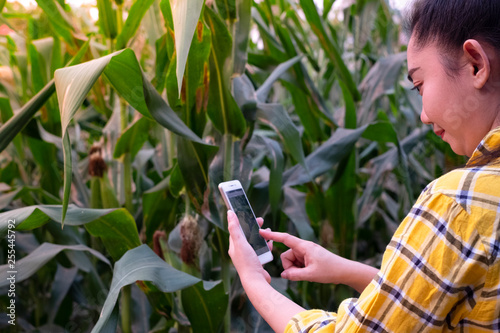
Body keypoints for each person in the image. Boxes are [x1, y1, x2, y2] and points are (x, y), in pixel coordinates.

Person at [227, 0, 500, 331]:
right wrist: (343, 268)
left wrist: (253, 281)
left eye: (420, 84)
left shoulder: (459, 204)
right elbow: (434, 302)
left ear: (475, 65)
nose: (423, 115)